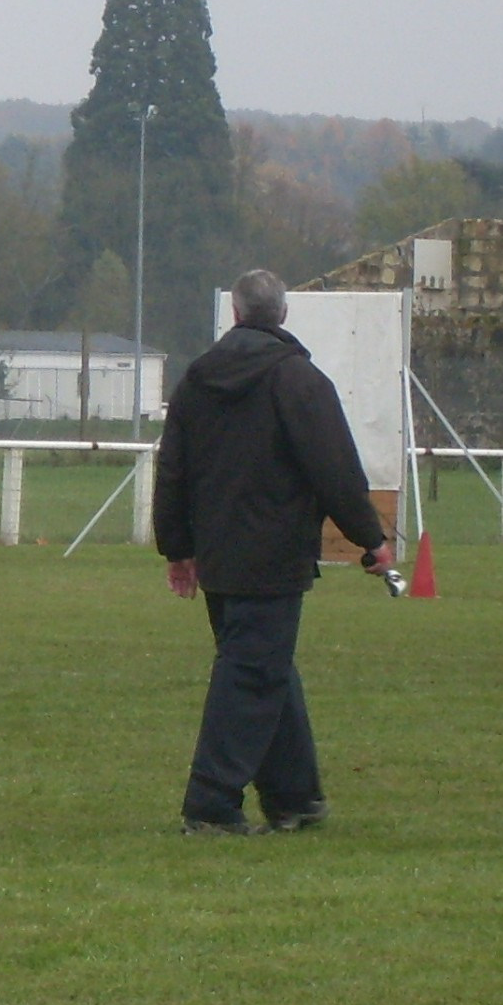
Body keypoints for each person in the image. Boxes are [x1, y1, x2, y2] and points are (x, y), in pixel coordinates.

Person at [154, 269, 393, 835]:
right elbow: (335, 470)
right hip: (275, 554)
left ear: (236, 314)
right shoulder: (299, 381)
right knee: (251, 675)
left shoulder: (197, 379)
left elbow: (174, 469)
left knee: (266, 668)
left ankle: (294, 798)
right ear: (282, 314)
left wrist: (177, 548)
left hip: (218, 554)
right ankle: (210, 805)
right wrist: (372, 538)